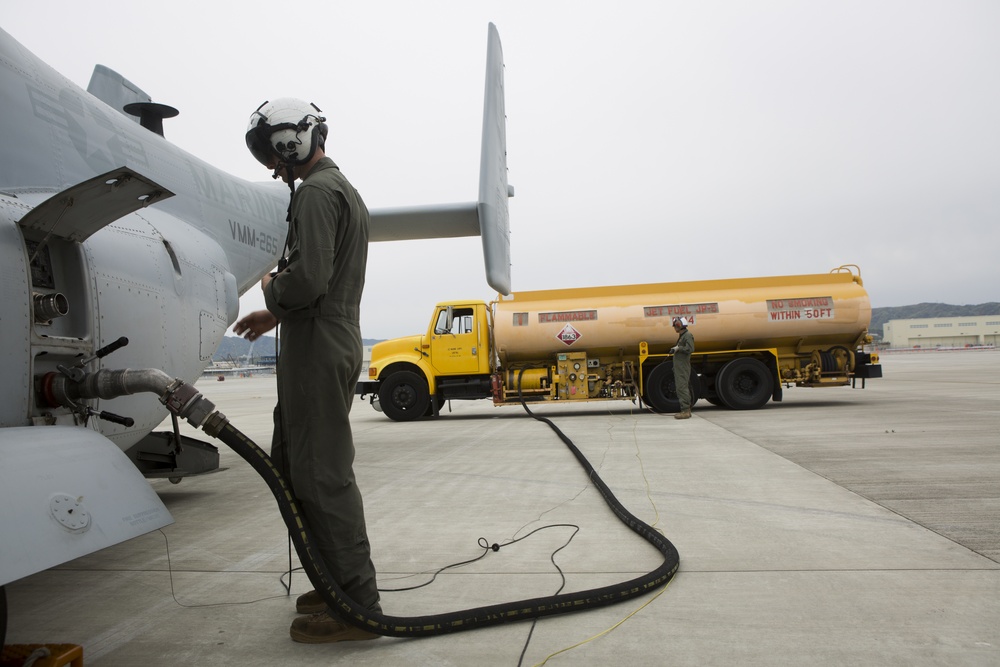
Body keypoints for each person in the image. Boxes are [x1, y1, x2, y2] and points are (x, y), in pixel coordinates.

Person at [234, 98, 380, 643]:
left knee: (320, 474)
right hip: (321, 336)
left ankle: (357, 605)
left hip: (318, 341)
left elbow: (308, 280)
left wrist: (272, 286)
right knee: (298, 463)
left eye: (273, 157)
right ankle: (334, 580)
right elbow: (322, 278)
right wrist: (273, 311)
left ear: (290, 141)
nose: (274, 169)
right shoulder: (336, 189)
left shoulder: (317, 192)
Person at [670, 317, 695, 419]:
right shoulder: (682, 336)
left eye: (676, 326)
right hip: (679, 366)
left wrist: (678, 348)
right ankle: (685, 409)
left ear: (680, 326)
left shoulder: (687, 335)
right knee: (680, 387)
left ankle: (685, 411)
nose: (675, 328)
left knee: (682, 388)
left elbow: (690, 348)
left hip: (682, 366)